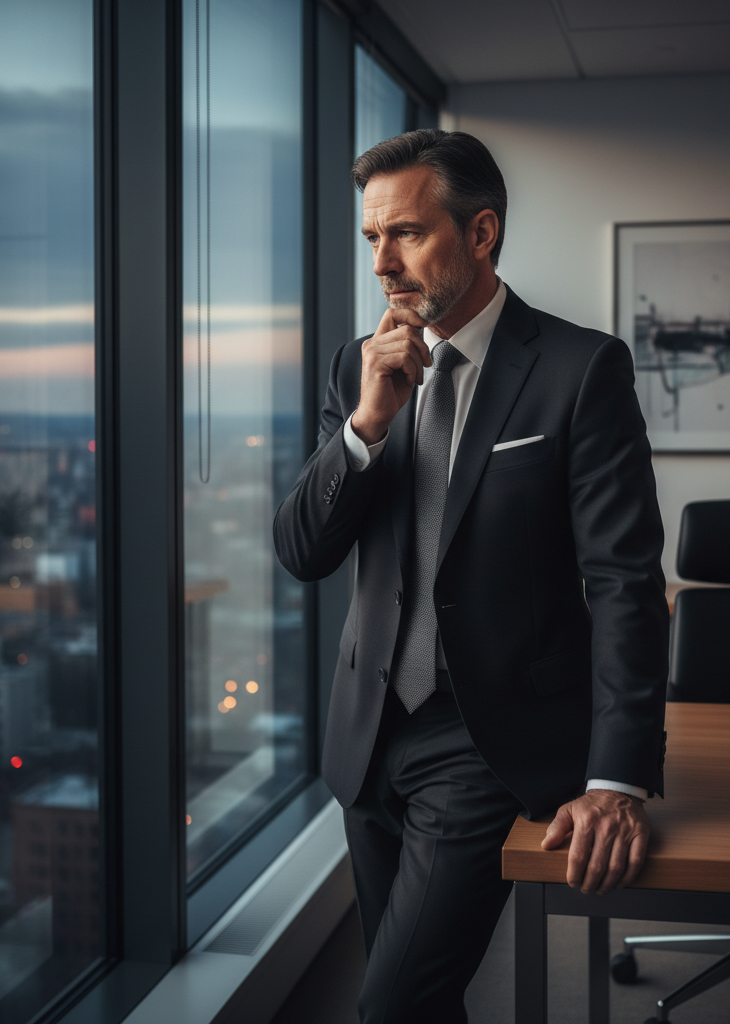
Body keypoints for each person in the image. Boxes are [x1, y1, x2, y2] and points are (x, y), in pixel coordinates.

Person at [273, 129, 669, 1023]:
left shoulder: (579, 370)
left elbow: (624, 583)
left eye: (406, 233)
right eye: (372, 237)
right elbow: (303, 551)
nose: (382, 261)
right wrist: (367, 425)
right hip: (367, 739)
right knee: (418, 999)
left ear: (481, 232)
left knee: (390, 1007)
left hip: (487, 741)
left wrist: (616, 780)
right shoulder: (357, 368)